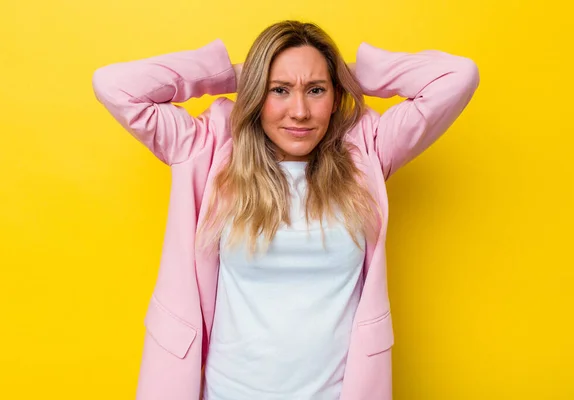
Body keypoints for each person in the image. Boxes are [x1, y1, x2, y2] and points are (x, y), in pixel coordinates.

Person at [92, 20, 479, 400]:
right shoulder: (205, 149)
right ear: (257, 93)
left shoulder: (369, 150)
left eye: (316, 90)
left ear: (335, 95)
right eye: (279, 89)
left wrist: (348, 74)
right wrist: (231, 75)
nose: (299, 111)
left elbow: (458, 76)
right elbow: (114, 85)